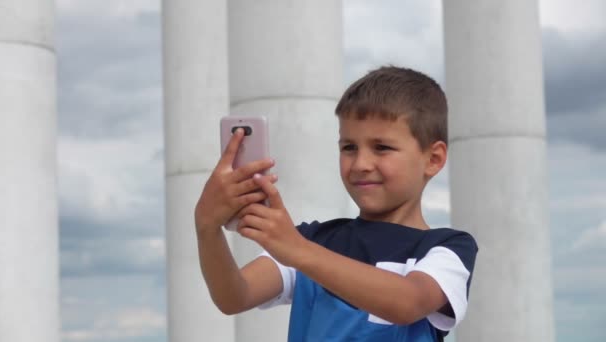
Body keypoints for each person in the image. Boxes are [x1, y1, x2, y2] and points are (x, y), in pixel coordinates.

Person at [194, 66, 478, 341]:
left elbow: (407, 303)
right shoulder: (311, 239)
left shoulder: (448, 248)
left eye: (382, 148)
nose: (361, 164)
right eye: (349, 147)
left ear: (433, 159)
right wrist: (207, 228)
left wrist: (298, 250)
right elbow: (234, 297)